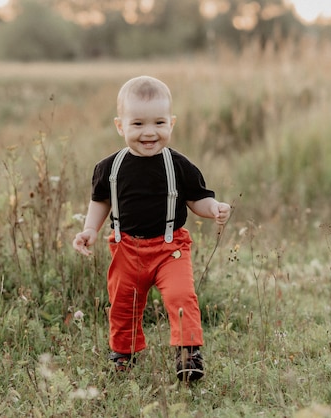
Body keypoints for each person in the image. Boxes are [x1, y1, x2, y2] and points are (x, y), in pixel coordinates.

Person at [72, 75, 231, 381]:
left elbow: (198, 199)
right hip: (126, 248)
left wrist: (214, 209)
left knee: (181, 297)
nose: (149, 133)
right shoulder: (109, 167)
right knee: (122, 304)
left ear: (171, 123)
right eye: (138, 124)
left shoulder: (179, 165)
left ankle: (188, 353)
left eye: (159, 123)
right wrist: (90, 230)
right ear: (121, 126)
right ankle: (123, 354)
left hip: (170, 248)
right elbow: (101, 201)